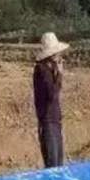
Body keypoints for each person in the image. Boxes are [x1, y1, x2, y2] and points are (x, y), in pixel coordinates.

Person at [33, 32, 69, 169]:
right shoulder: (42, 70)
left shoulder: (49, 69)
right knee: (53, 162)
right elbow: (52, 93)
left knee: (58, 161)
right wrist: (59, 74)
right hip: (48, 121)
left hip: (54, 120)